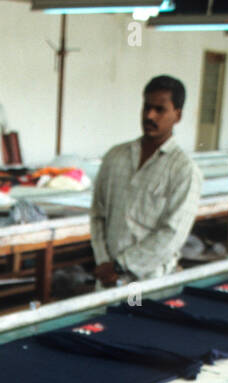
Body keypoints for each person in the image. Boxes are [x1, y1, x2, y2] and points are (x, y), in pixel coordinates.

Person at [89, 75, 203, 287]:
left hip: (151, 282)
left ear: (177, 115)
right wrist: (104, 261)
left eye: (160, 110)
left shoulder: (184, 171)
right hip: (107, 280)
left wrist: (121, 266)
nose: (150, 115)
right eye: (146, 107)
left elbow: (172, 235)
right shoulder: (115, 157)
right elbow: (98, 214)